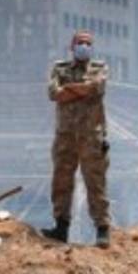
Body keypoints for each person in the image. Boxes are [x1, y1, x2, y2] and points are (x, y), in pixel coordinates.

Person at [42, 29, 111, 248]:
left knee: (95, 182)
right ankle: (61, 227)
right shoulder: (59, 68)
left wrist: (69, 89)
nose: (84, 46)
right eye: (81, 42)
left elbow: (95, 87)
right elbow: (54, 93)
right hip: (66, 135)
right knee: (62, 181)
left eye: (88, 43)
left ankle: (102, 229)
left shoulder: (99, 68)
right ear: (72, 46)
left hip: (91, 136)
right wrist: (81, 89)